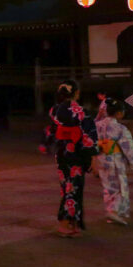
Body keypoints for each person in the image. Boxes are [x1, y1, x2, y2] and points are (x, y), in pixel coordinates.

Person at [42, 80, 98, 237]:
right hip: (75, 154)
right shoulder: (81, 112)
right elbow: (88, 137)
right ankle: (65, 223)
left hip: (61, 153)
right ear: (76, 93)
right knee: (73, 189)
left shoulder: (54, 111)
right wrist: (92, 158)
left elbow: (52, 131)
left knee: (65, 187)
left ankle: (71, 223)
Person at [94, 98, 133, 225]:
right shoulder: (120, 128)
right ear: (118, 113)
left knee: (108, 187)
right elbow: (129, 148)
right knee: (120, 187)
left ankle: (111, 211)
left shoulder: (96, 126)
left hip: (101, 159)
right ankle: (114, 212)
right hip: (115, 160)